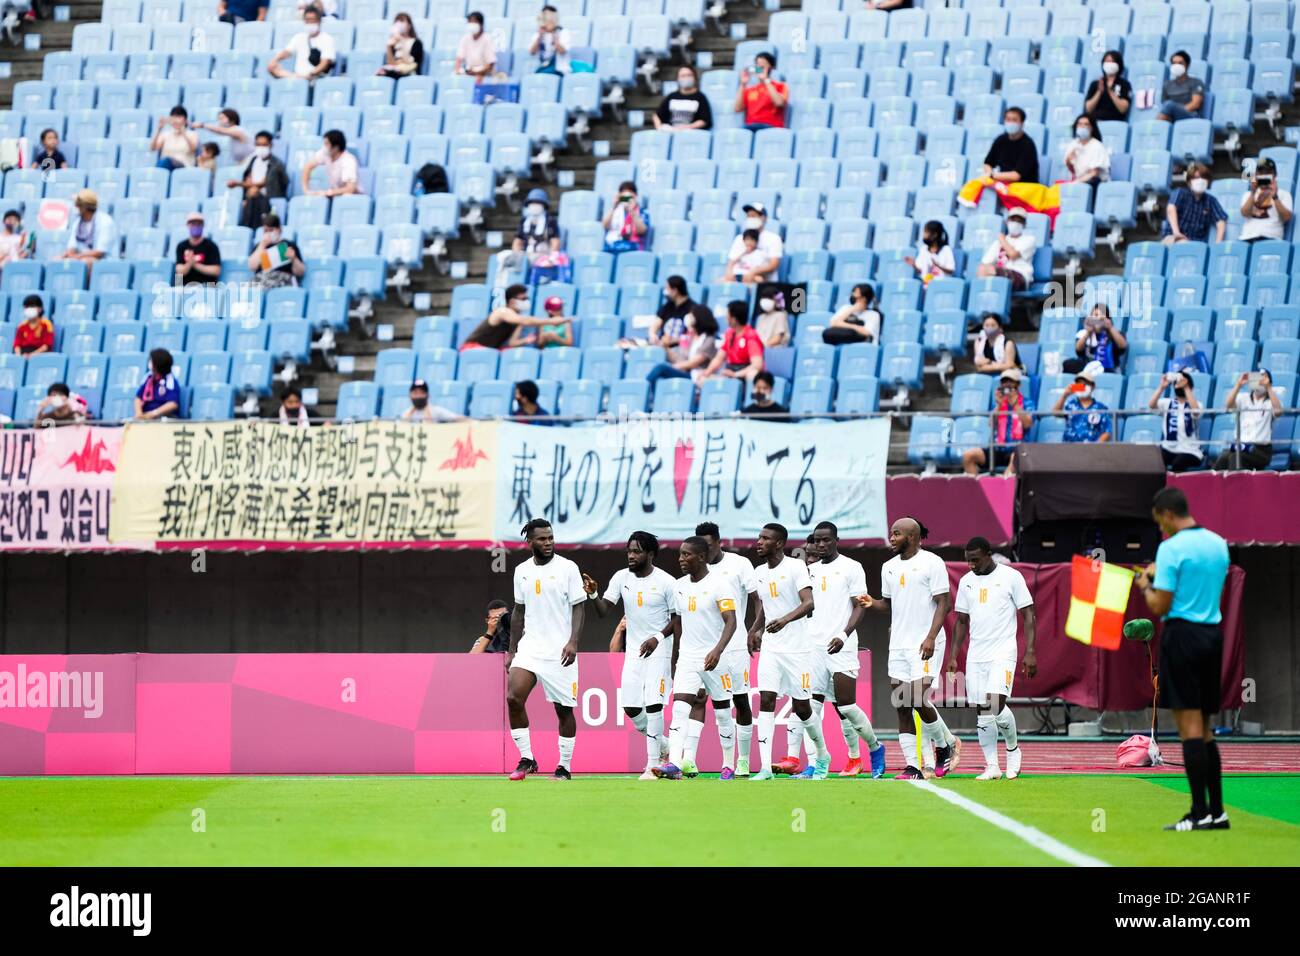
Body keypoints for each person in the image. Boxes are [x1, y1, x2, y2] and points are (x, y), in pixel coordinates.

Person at [1135, 487, 1231, 831]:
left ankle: (1199, 812)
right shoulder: (1218, 543)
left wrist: (1146, 584)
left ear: (1167, 514)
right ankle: (1217, 811)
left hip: (1183, 636)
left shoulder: (1171, 548)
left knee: (1189, 727)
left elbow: (1160, 606)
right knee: (1205, 727)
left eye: (1160, 521)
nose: (1161, 528)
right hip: (1211, 634)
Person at [855, 517, 961, 779]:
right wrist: (872, 602)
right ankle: (913, 766)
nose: (891, 538)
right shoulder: (888, 567)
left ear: (912, 537)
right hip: (899, 645)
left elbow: (944, 604)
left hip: (925, 641)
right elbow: (888, 605)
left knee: (915, 698)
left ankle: (945, 744)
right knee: (901, 704)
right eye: (891, 533)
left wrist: (930, 637)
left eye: (897, 533)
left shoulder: (931, 562)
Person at [582, 532, 677, 779]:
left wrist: (657, 638)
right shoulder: (620, 578)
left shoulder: (667, 582)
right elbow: (603, 611)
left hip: (660, 649)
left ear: (651, 554)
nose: (631, 556)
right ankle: (665, 746)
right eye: (629, 551)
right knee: (632, 708)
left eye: (636, 551)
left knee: (655, 705)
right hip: (634, 652)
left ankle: (653, 765)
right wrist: (593, 594)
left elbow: (678, 619)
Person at [651, 535, 741, 779]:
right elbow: (678, 622)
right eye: (680, 554)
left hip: (716, 657)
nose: (681, 559)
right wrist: (676, 656)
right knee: (680, 707)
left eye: (686, 554)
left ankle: (728, 765)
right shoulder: (679, 585)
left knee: (722, 712)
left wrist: (718, 650)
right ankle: (676, 763)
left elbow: (731, 621)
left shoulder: (719, 584)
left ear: (701, 557)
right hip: (689, 658)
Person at [946, 537, 1036, 781]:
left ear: (988, 554)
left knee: (995, 703)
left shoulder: (1011, 577)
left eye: (975, 560)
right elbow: (961, 621)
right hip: (976, 654)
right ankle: (992, 766)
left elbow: (1028, 613)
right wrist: (954, 656)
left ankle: (1013, 749)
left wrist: (1030, 651)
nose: (971, 565)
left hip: (1003, 651)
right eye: (968, 561)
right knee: (982, 710)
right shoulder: (965, 582)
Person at [746, 523, 831, 781]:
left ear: (779, 543)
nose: (759, 542)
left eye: (765, 538)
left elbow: (809, 603)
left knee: (802, 707)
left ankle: (822, 755)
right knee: (767, 701)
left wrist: (784, 620)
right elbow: (765, 608)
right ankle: (764, 768)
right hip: (772, 648)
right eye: (758, 537)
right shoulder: (759, 572)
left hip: (798, 650)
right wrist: (754, 629)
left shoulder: (795, 567)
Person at [506, 518, 587, 781]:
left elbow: (578, 606)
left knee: (563, 710)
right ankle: (527, 759)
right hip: (530, 648)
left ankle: (564, 766)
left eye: (551, 537)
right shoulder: (521, 571)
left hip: (560, 652)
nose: (548, 542)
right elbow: (518, 611)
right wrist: (511, 650)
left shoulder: (568, 568)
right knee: (513, 697)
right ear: (529, 542)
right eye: (542, 539)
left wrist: (573, 641)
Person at [807, 521, 886, 778]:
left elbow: (861, 604)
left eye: (826, 540)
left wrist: (843, 634)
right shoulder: (809, 571)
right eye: (817, 540)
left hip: (841, 645)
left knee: (847, 706)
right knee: (812, 707)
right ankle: (817, 763)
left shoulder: (852, 567)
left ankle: (875, 748)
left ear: (836, 540)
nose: (821, 545)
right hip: (814, 647)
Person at [694, 522, 758, 778]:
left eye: (708, 546)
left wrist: (755, 630)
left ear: (719, 542)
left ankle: (743, 761)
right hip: (704, 648)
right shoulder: (697, 571)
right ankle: (722, 762)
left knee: (740, 700)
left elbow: (757, 599)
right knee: (708, 702)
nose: (705, 552)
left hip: (735, 647)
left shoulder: (739, 564)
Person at [961, 368, 1034, 475]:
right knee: (968, 456)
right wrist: (999, 405)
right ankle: (976, 489)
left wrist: (1015, 405)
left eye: (1010, 382)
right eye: (1004, 382)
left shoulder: (1027, 403)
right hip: (997, 448)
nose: (1006, 385)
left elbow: (1027, 424)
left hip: (1017, 448)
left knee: (1015, 458)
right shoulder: (998, 403)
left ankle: (1003, 487)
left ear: (1018, 384)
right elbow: (991, 424)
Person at [1213, 369, 1282, 470]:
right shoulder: (1243, 398)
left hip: (1260, 449)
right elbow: (1228, 405)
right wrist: (1238, 385)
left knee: (1235, 457)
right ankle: (1215, 485)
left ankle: (1237, 485)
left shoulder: (1271, 401)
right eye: (1257, 377)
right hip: (1241, 446)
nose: (1260, 381)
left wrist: (1269, 388)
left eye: (1264, 378)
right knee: (1223, 458)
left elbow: (1278, 411)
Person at [460, 284, 563, 351]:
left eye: (527, 298)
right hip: (472, 348)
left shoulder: (517, 319)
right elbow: (525, 320)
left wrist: (526, 340)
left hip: (491, 351)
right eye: (523, 299)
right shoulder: (502, 311)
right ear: (512, 301)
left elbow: (512, 343)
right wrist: (551, 321)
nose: (526, 301)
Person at [494, 188, 560, 289]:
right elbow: (518, 240)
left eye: (537, 203)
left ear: (543, 205)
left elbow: (555, 241)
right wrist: (516, 253)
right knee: (503, 256)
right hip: (526, 253)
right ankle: (501, 286)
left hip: (542, 254)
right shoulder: (525, 220)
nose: (534, 205)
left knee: (525, 260)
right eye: (532, 203)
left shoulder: (550, 221)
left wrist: (551, 257)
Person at [644, 304, 718, 391]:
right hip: (685, 372)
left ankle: (644, 389)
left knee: (661, 368)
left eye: (691, 315)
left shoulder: (709, 340)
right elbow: (680, 359)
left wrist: (673, 367)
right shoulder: (690, 338)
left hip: (697, 376)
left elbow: (693, 363)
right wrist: (666, 347)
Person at [229, 130, 288, 228]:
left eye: (264, 145)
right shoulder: (253, 160)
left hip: (268, 199)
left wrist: (239, 184)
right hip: (252, 197)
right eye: (258, 144)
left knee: (254, 195)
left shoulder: (277, 164)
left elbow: (266, 182)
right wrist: (249, 188)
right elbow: (248, 178)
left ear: (270, 145)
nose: (261, 148)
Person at [1150, 372, 1203, 472]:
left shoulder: (1196, 404)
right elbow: (1151, 405)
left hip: (1190, 451)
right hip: (1169, 448)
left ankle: (1176, 487)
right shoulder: (1167, 403)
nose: (1180, 386)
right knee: (1155, 461)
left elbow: (1196, 412)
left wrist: (1186, 387)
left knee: (1178, 463)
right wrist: (1162, 387)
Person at [700, 300, 764, 383]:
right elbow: (719, 357)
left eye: (727, 314)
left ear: (733, 319)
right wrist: (707, 371)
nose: (725, 317)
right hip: (730, 371)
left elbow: (757, 364)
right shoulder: (729, 333)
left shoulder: (751, 336)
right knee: (703, 380)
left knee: (753, 374)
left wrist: (736, 374)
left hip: (744, 372)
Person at [1162, 163, 1226, 245]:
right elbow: (1171, 208)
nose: (1200, 180)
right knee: (1184, 245)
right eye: (1196, 178)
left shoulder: (1210, 201)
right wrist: (1176, 233)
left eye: (1203, 177)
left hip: (1197, 244)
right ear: (1189, 182)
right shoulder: (1180, 193)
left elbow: (1221, 221)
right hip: (1172, 238)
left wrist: (1218, 244)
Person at [269, 4, 336, 80]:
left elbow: (325, 62)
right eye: (307, 20)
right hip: (298, 78)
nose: (310, 23)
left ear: (319, 21)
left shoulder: (327, 39)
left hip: (316, 78)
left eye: (312, 20)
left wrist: (311, 74)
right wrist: (274, 60)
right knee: (274, 70)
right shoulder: (299, 37)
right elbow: (287, 52)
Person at [977, 209, 1036, 292]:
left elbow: (1013, 255)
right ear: (1007, 221)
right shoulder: (998, 242)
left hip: (1021, 275)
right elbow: (985, 263)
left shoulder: (1029, 240)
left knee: (990, 270)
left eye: (1019, 221)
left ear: (1024, 224)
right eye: (1013, 219)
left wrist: (1002, 240)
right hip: (1000, 274)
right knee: (983, 269)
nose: (1015, 223)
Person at [723, 202, 782, 282]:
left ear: (763, 218)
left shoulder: (774, 238)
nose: (750, 219)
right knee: (721, 282)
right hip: (740, 275)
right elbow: (731, 261)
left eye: (753, 216)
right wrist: (729, 272)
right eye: (748, 216)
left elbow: (773, 264)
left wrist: (753, 272)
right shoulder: (739, 238)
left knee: (754, 279)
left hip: (764, 279)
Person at [1055, 364, 1113, 443]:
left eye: (1085, 384)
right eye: (1079, 385)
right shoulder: (1070, 405)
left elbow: (1107, 432)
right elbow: (1055, 412)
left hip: (1090, 451)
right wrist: (1065, 395)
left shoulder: (1101, 408)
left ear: (1092, 387)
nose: (1082, 387)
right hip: (1068, 448)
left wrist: (1095, 448)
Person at [1239, 157, 1292, 243]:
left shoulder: (1284, 194)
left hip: (1270, 239)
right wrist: (1253, 193)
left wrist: (1275, 197)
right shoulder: (1248, 194)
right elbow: (1245, 213)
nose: (1264, 175)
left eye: (1268, 172)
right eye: (1260, 172)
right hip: (1247, 239)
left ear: (1275, 175)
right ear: (1255, 175)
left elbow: (1286, 217)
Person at [981, 107, 1039, 185]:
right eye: (1008, 119)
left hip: (1023, 187)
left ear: (1022, 123)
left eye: (1014, 120)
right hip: (1002, 184)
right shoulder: (1000, 140)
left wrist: (992, 175)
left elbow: (1016, 176)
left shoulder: (1028, 145)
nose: (1011, 123)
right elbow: (988, 163)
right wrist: (988, 173)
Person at [1064, 302, 1126, 374]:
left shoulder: (1115, 333)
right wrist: (1088, 332)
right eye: (1096, 315)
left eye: (1102, 316)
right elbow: (1078, 350)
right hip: (1088, 368)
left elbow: (1122, 346)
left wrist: (1110, 327)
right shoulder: (1084, 333)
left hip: (1107, 369)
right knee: (1068, 364)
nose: (1099, 319)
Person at [248, 213, 305, 289]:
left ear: (279, 230)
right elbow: (252, 267)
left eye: (271, 230)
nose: (268, 233)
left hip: (283, 278)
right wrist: (262, 245)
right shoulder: (259, 246)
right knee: (246, 290)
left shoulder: (289, 245)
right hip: (262, 278)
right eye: (266, 231)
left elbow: (300, 272)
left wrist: (293, 259)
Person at [734, 51, 787, 131]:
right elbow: (737, 108)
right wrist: (743, 84)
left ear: (771, 68)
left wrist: (766, 80)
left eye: (762, 67)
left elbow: (779, 103)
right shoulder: (750, 90)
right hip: (750, 126)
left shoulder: (780, 86)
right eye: (757, 66)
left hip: (771, 126)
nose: (759, 69)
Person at [62, 190, 117, 267]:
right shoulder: (77, 222)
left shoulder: (105, 221)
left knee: (86, 262)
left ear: (84, 207)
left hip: (104, 260)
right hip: (80, 257)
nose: (75, 207)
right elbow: (72, 246)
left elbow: (99, 252)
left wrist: (76, 257)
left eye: (77, 205)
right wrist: (68, 254)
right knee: (57, 260)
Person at [300, 129, 360, 198]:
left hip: (353, 197)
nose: (324, 147)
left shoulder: (348, 160)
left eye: (326, 144)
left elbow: (350, 189)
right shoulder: (324, 154)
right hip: (336, 195)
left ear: (336, 147)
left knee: (346, 196)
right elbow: (307, 167)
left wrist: (328, 192)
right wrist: (306, 190)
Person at [654, 65, 713, 131]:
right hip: (671, 132)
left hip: (690, 134)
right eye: (683, 76)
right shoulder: (671, 96)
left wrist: (688, 127)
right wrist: (659, 129)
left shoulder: (700, 97)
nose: (686, 78)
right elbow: (657, 116)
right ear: (678, 79)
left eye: (689, 75)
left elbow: (705, 121)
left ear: (695, 78)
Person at [1157, 50, 1205, 122]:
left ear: (1187, 65)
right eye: (1174, 63)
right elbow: (1164, 105)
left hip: (1190, 115)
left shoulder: (1196, 82)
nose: (1177, 66)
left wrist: (1177, 111)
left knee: (1169, 105)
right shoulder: (1167, 84)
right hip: (1171, 115)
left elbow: (1196, 104)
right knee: (1168, 106)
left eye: (1180, 63)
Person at [174, 212, 222, 286]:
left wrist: (195, 264)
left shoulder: (211, 246)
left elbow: (216, 271)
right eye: (193, 224)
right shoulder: (182, 246)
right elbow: (179, 271)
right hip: (185, 286)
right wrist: (189, 263)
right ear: (188, 225)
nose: (196, 226)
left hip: (207, 286)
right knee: (177, 280)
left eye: (199, 224)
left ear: (203, 225)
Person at [601, 180, 649, 254]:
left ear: (635, 196)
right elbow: (605, 225)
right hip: (613, 246)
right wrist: (614, 207)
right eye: (623, 197)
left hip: (633, 248)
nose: (626, 199)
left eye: (629, 197)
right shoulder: (615, 211)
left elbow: (642, 230)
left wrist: (632, 211)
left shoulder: (642, 212)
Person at [1084, 49, 1132, 123]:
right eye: (1107, 61)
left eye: (1112, 61)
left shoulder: (1124, 84)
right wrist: (1099, 92)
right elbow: (1088, 108)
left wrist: (1110, 91)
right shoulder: (1095, 84)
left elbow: (1123, 109)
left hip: (1114, 122)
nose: (1109, 64)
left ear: (1118, 64)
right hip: (1096, 121)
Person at [1062, 113, 1109, 186]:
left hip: (1095, 182)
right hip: (1079, 181)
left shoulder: (1097, 146)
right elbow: (1072, 170)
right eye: (1080, 124)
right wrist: (1069, 160)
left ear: (1092, 128)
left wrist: (1077, 182)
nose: (1082, 127)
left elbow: (1094, 173)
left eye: (1086, 124)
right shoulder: (1073, 144)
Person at [134, 348, 182, 421]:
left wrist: (153, 414)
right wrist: (139, 414)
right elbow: (138, 398)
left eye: (151, 360)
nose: (149, 363)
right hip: (145, 418)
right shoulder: (148, 378)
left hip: (163, 418)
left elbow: (173, 404)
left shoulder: (170, 381)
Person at [647, 275, 694, 348]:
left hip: (681, 348)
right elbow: (657, 323)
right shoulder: (667, 306)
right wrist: (652, 335)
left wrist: (674, 340)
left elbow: (693, 334)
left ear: (675, 290)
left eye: (667, 289)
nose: (665, 292)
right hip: (662, 346)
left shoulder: (693, 308)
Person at [904, 220, 955, 285]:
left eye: (926, 232)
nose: (924, 235)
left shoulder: (946, 250)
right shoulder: (923, 249)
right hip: (925, 285)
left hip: (941, 285)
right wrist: (913, 264)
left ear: (935, 235)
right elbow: (920, 270)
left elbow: (951, 270)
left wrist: (938, 265)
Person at [376, 13, 424, 78]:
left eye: (402, 21)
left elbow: (409, 62)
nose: (399, 24)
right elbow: (391, 63)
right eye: (397, 22)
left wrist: (402, 41)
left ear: (409, 25)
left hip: (409, 72)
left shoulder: (417, 43)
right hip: (396, 70)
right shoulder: (394, 42)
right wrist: (388, 47)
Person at [454, 11, 497, 82]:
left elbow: (490, 65)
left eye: (474, 22)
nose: (471, 24)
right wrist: (457, 71)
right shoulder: (465, 38)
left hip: (484, 74)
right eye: (470, 22)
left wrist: (476, 72)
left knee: (478, 79)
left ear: (481, 24)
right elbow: (459, 58)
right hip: (469, 72)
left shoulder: (487, 39)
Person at [151, 105, 197, 170]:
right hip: (166, 165)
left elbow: (193, 149)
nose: (176, 120)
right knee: (164, 162)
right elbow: (153, 148)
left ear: (185, 120)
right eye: (174, 117)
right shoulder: (165, 134)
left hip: (184, 166)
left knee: (165, 161)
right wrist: (159, 129)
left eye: (179, 117)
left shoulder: (192, 134)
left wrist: (183, 132)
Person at [529, 5, 569, 74]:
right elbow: (532, 52)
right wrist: (540, 36)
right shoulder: (538, 34)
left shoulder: (563, 32)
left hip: (559, 70)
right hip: (542, 68)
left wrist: (554, 36)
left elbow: (562, 51)